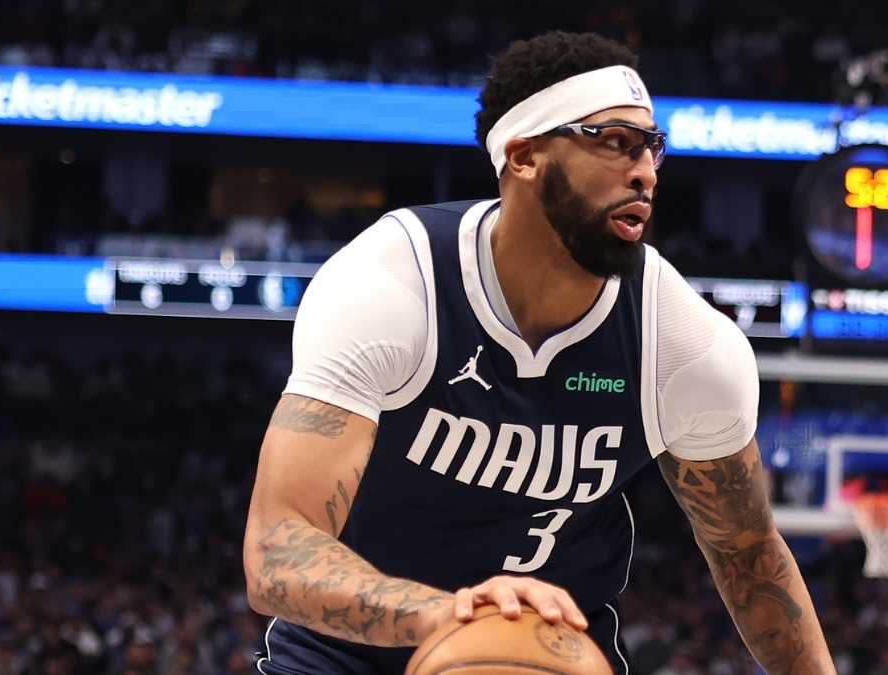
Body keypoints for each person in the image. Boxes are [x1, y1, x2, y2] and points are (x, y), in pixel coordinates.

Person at [242, 30, 836, 675]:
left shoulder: (685, 344)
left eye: (651, 147)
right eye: (614, 142)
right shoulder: (394, 283)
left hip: (550, 650)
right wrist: (449, 619)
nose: (644, 170)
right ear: (524, 156)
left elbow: (749, 556)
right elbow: (278, 549)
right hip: (342, 653)